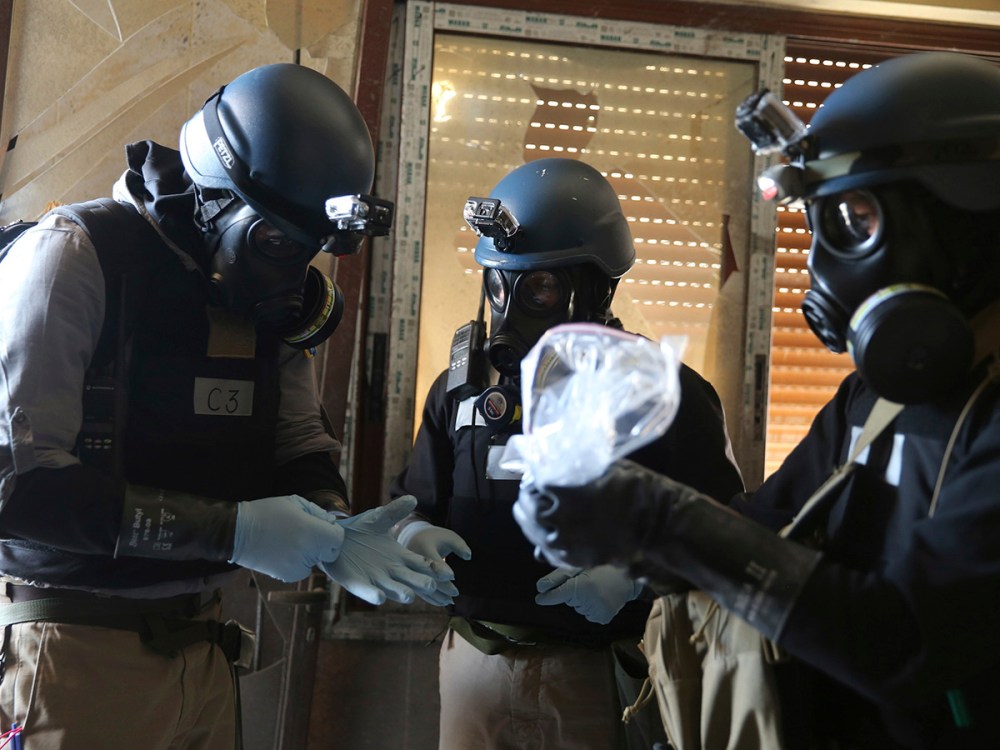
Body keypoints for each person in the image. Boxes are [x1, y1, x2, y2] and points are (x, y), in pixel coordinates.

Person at [514, 51, 1000, 750]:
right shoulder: (875, 399)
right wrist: (622, 533)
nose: (826, 269)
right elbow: (765, 532)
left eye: (856, 223)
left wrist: (662, 522)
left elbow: (907, 644)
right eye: (822, 227)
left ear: (966, 222)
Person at [0, 63, 448, 750]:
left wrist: (338, 530)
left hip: (204, 648)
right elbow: (16, 486)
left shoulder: (256, 294)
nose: (289, 277)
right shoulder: (76, 258)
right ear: (214, 198)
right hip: (77, 648)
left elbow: (297, 441)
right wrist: (231, 532)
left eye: (306, 255)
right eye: (274, 244)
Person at [390, 157, 745, 749]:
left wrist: (634, 580)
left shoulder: (667, 395)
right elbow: (416, 501)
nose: (509, 308)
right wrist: (410, 535)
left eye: (540, 286)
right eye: (497, 282)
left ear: (598, 285)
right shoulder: (461, 389)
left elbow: (725, 538)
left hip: (598, 670)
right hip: (477, 662)